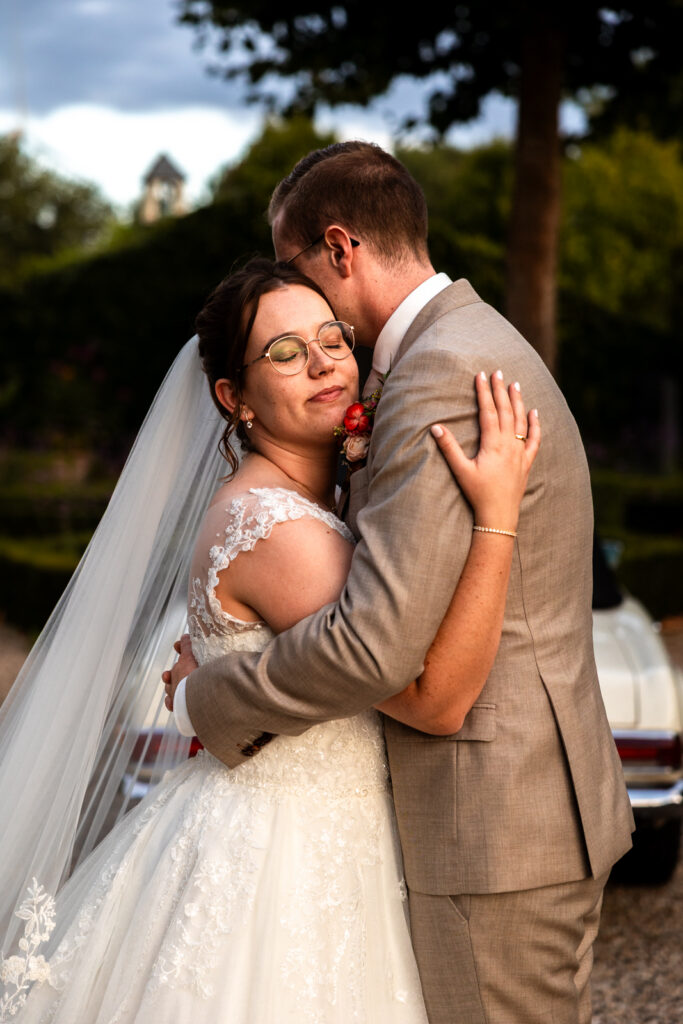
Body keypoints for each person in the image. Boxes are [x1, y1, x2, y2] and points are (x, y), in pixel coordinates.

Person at [0, 258, 538, 1023]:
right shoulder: (274, 527)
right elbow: (427, 697)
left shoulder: (305, 505)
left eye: (332, 339)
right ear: (235, 398)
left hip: (320, 833)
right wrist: (496, 516)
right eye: (285, 352)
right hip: (283, 857)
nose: (322, 363)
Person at [168, 143, 635, 1024]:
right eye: (286, 348)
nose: (320, 345)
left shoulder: (437, 372)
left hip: (490, 821)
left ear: (339, 248)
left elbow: (376, 648)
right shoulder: (463, 342)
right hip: (501, 809)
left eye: (295, 265)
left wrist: (210, 692)